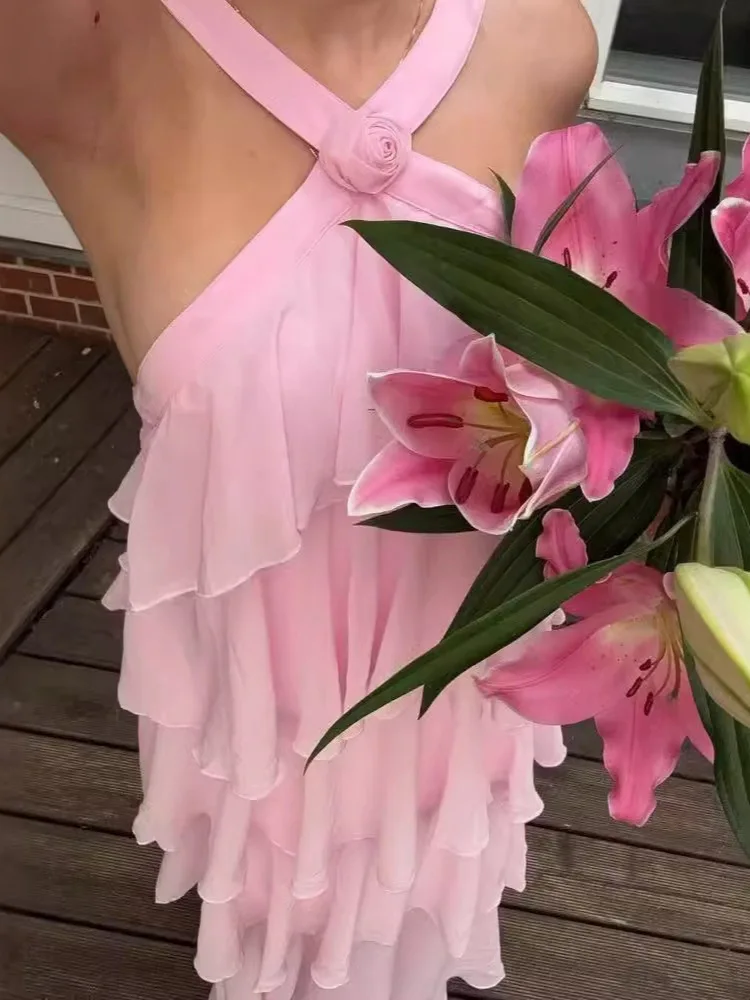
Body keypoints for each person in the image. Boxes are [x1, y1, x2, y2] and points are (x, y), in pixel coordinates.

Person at [0, 2, 597, 997]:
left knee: (408, 917)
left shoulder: (546, 41)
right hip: (262, 723)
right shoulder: (62, 42)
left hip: (454, 696)